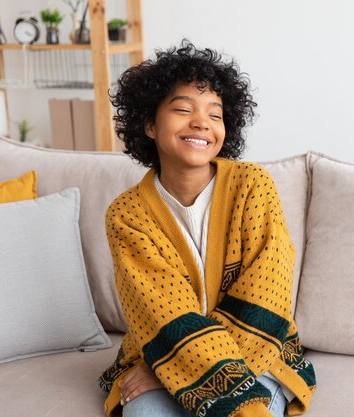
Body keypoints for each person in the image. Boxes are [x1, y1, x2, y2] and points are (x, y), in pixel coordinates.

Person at [98, 40, 316, 417]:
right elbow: (158, 309)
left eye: (215, 115)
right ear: (149, 124)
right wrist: (167, 367)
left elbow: (268, 293)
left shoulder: (253, 186)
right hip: (162, 349)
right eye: (183, 109)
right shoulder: (127, 215)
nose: (201, 123)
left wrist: (168, 370)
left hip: (257, 351)